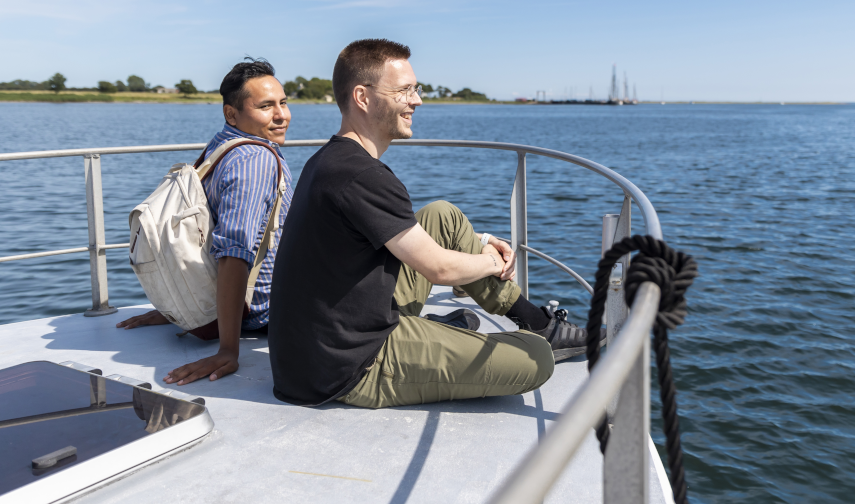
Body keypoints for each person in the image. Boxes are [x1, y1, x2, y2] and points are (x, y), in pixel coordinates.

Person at [269, 39, 602, 408]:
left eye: (416, 89)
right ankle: (528, 336)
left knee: (441, 215)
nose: (417, 101)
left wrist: (482, 240)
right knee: (534, 358)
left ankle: (536, 322)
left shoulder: (332, 159)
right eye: (404, 91)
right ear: (362, 97)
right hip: (348, 365)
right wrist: (494, 260)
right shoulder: (362, 175)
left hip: (315, 348)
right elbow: (438, 268)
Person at [117, 58, 294, 386]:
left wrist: (180, 310)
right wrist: (228, 349)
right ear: (232, 113)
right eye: (266, 106)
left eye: (283, 102)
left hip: (235, 304)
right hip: (267, 309)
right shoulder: (254, 160)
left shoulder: (222, 145)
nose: (282, 115)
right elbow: (233, 253)